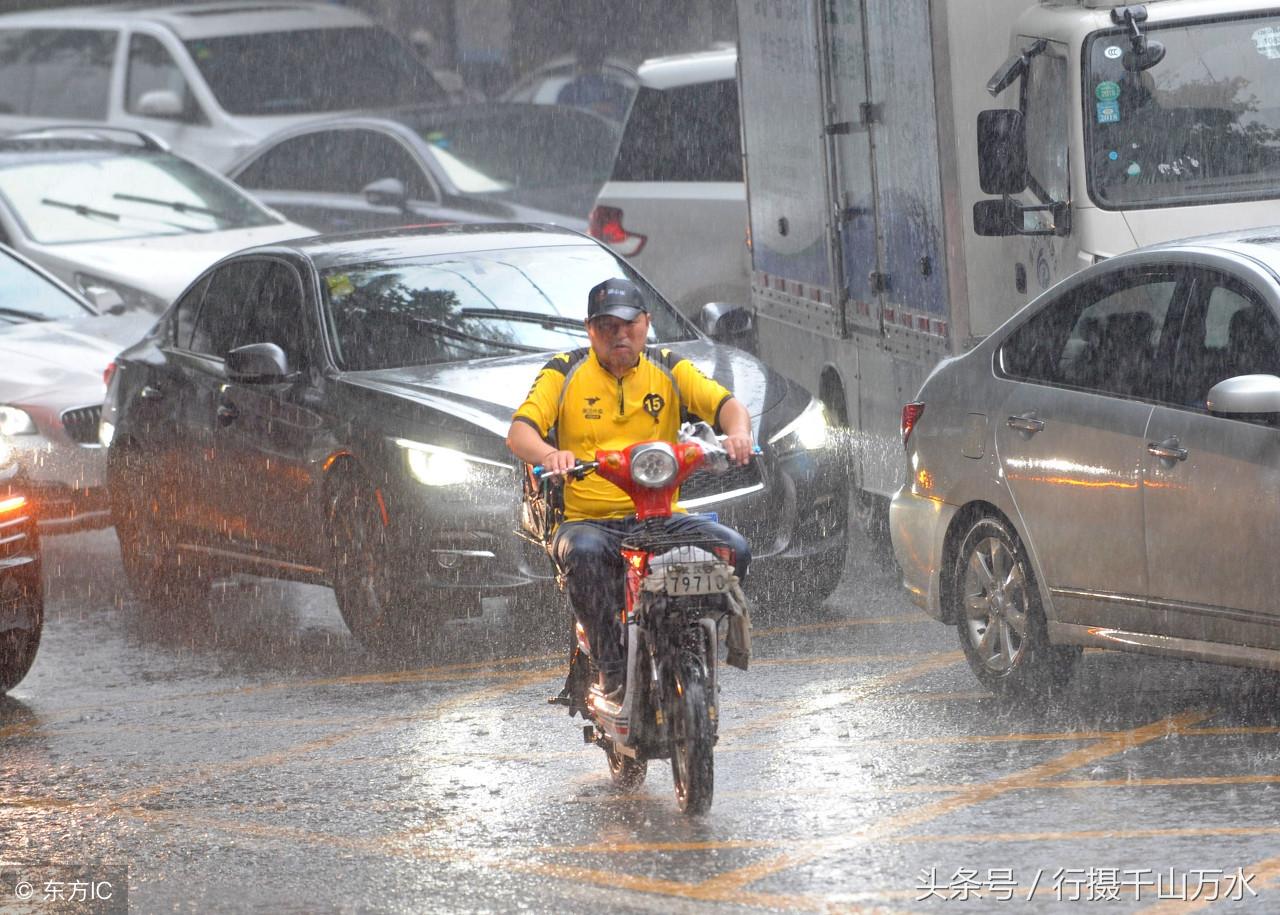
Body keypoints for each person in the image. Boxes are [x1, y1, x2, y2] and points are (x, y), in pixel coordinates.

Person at [506, 277, 754, 698]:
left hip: (663, 517)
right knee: (582, 557)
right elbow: (519, 433)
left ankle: (697, 640)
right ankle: (609, 664)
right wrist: (551, 455)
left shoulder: (669, 367)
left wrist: (738, 434)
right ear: (590, 329)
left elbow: (727, 406)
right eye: (607, 326)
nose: (620, 334)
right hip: (589, 524)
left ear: (646, 323)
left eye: (629, 324)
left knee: (735, 550)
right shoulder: (564, 372)